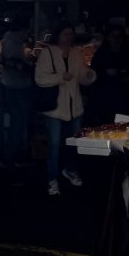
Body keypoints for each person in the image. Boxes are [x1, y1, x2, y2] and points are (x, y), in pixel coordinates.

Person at [35, 21, 96, 196]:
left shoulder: (77, 53)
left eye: (70, 34)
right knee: (54, 144)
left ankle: (70, 169)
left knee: (73, 141)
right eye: (65, 34)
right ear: (58, 35)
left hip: (73, 105)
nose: (68, 38)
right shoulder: (48, 53)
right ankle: (52, 178)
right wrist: (61, 77)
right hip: (55, 107)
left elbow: (82, 76)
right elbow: (40, 78)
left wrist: (88, 75)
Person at [0, 16, 35, 169]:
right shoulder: (14, 45)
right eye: (27, 30)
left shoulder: (7, 40)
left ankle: (10, 156)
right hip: (17, 88)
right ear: (21, 30)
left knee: (13, 124)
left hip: (9, 86)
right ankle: (11, 158)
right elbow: (22, 67)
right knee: (18, 124)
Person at [89, 24, 129, 124]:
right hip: (106, 99)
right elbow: (96, 76)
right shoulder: (102, 55)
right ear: (108, 37)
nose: (116, 40)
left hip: (124, 98)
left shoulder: (126, 53)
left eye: (119, 36)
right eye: (114, 36)